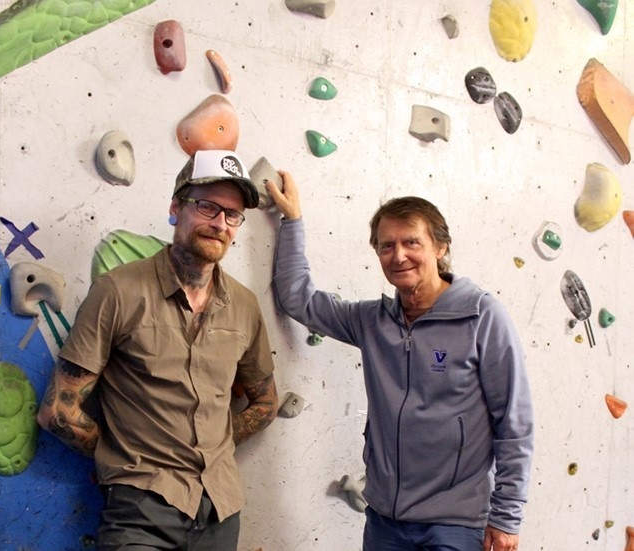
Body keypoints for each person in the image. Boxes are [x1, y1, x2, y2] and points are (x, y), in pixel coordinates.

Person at [265, 172, 534, 551]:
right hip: (385, 521)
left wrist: (506, 517)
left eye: (412, 242)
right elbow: (299, 299)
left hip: (454, 523)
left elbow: (515, 423)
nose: (399, 255)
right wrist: (292, 221)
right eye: (387, 245)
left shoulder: (481, 316)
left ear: (440, 248)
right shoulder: (372, 321)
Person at [38, 149, 279, 551]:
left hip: (221, 510)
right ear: (175, 207)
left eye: (232, 214)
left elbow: (266, 404)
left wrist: (213, 448)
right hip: (140, 511)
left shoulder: (245, 306)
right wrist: (124, 461)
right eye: (207, 207)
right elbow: (58, 412)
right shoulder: (118, 291)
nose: (219, 223)